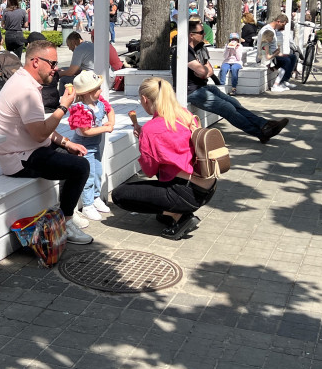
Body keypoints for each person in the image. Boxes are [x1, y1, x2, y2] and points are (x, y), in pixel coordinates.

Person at [0, 39, 93, 244]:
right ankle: (66, 220)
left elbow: (38, 128)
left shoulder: (24, 81)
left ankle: (66, 210)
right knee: (80, 167)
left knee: (72, 154)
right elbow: (39, 134)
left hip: (26, 150)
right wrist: (63, 107)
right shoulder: (26, 90)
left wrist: (66, 142)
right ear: (36, 61)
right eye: (53, 64)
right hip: (19, 159)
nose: (56, 70)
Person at [111, 78, 216, 238]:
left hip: (186, 192)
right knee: (163, 178)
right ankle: (174, 210)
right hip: (208, 186)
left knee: (119, 195)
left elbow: (149, 170)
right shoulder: (184, 114)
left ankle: (179, 215)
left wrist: (144, 142)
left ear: (145, 99)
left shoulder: (151, 129)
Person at [171, 21, 289, 143]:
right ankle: (261, 133)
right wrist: (203, 71)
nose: (204, 34)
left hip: (203, 87)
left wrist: (203, 71)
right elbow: (203, 71)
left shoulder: (199, 48)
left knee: (234, 102)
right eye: (201, 32)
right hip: (191, 92)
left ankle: (265, 124)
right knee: (227, 108)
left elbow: (209, 71)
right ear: (191, 35)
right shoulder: (184, 50)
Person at [67, 70, 115, 222]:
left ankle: (95, 197)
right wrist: (106, 128)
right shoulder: (80, 108)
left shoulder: (98, 103)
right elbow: (86, 131)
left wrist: (111, 122)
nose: (101, 91)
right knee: (89, 175)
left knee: (98, 172)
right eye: (97, 89)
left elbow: (110, 110)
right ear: (87, 93)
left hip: (95, 145)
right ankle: (87, 204)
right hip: (84, 146)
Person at [257, 13, 297, 92]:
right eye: (283, 25)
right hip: (267, 56)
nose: (283, 27)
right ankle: (278, 83)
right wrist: (276, 54)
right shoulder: (267, 30)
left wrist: (280, 53)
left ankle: (284, 80)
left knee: (293, 57)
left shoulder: (272, 30)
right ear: (278, 22)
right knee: (286, 61)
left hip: (273, 54)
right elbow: (264, 47)